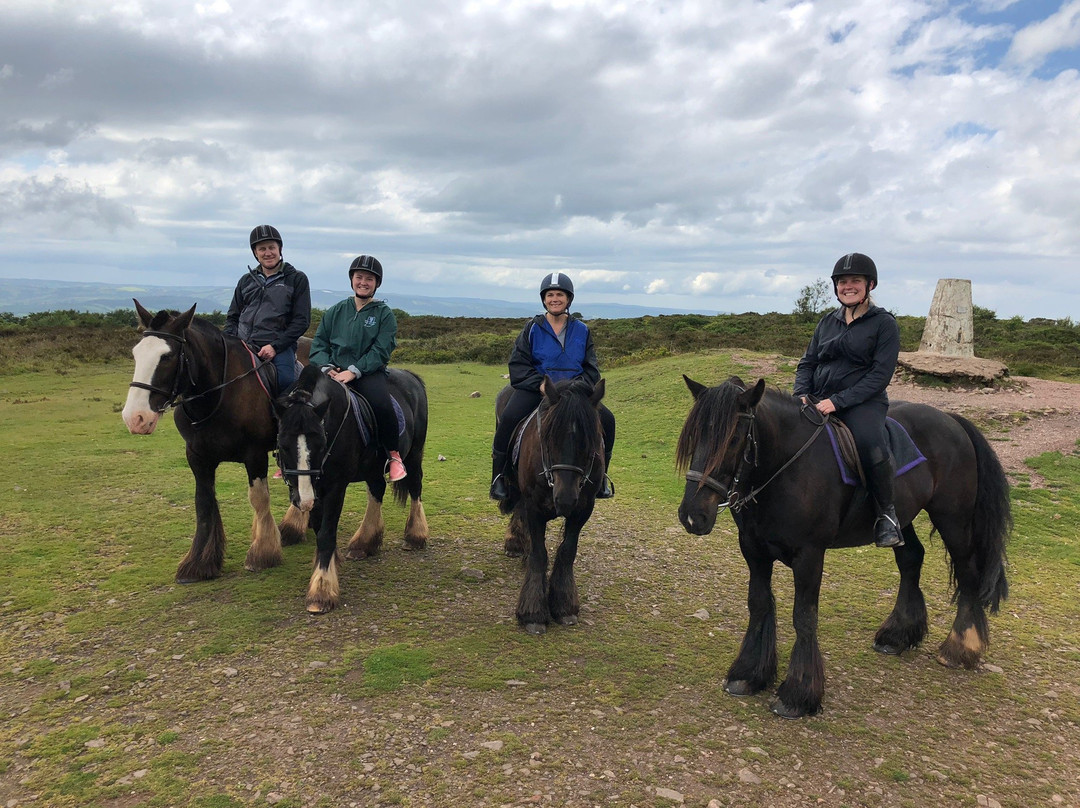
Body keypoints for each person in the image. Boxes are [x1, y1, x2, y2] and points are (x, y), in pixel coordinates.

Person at [793, 252, 904, 547]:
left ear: (870, 284)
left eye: (855, 280)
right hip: (816, 398)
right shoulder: (826, 322)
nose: (848, 286)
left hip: (863, 403)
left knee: (870, 444)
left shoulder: (884, 324)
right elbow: (807, 362)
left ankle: (887, 516)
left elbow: (879, 376)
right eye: (842, 282)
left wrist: (838, 402)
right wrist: (801, 394)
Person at [490, 272, 615, 501]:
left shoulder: (582, 330)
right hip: (540, 390)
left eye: (560, 294)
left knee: (608, 420)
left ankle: (601, 478)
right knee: (508, 418)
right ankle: (499, 476)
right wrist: (539, 385)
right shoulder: (532, 328)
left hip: (573, 395)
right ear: (543, 299)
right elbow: (518, 365)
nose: (554, 298)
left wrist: (578, 389)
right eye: (550, 295)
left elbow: (591, 368)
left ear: (569, 299)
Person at [308, 255, 407, 482]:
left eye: (369, 279)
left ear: (377, 283)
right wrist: (326, 367)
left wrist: (354, 371)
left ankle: (393, 455)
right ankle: (291, 459)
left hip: (368, 373)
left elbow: (381, 350)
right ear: (351, 279)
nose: (363, 282)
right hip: (332, 372)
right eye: (359, 277)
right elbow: (319, 343)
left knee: (382, 404)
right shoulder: (336, 311)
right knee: (298, 400)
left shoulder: (384, 314)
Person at [224, 224, 311, 391]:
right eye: (262, 249)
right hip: (243, 344)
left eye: (272, 247)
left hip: (277, 347)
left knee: (286, 380)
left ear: (280, 249)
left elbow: (301, 320)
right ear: (255, 253)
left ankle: (282, 417)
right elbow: (233, 317)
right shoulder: (246, 281)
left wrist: (275, 346)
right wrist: (230, 342)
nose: (268, 253)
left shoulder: (296, 279)